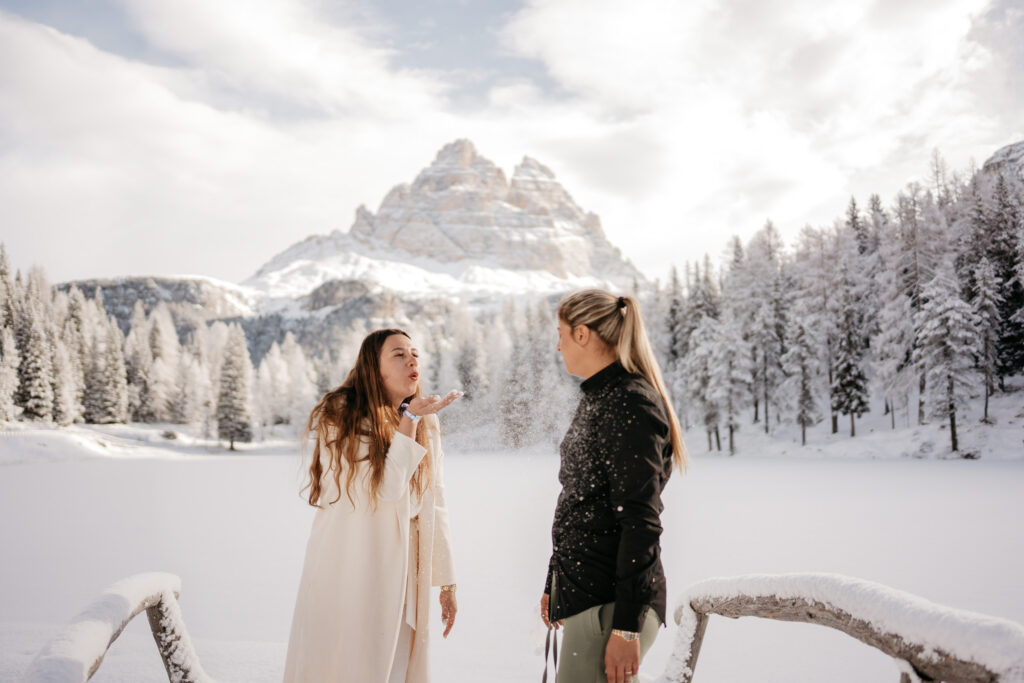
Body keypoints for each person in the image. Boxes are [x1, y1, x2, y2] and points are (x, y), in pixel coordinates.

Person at [283, 328, 461, 683]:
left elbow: (434, 499)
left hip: (404, 571)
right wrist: (408, 422)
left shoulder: (427, 421)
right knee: (349, 665)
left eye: (415, 353)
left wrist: (446, 581)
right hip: (352, 565)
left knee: (394, 667)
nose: (412, 359)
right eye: (398, 354)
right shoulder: (342, 415)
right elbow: (385, 490)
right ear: (372, 368)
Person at [541, 290, 688, 683]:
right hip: (592, 597)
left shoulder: (628, 402)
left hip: (612, 605)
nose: (558, 345)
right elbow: (580, 500)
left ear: (584, 334)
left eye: (562, 333)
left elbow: (639, 520)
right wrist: (556, 579)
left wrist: (626, 627)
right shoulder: (601, 396)